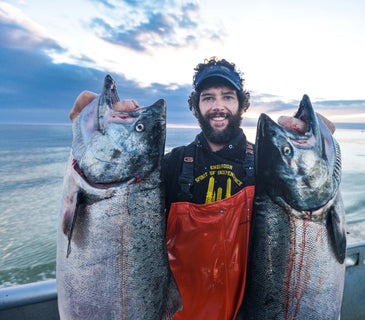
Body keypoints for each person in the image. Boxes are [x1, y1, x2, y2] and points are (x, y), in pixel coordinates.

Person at [69, 57, 335, 320]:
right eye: (208, 98)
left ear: (241, 105)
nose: (218, 106)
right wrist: (86, 137)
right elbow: (118, 215)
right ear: (196, 107)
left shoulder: (270, 169)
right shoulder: (170, 165)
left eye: (228, 97)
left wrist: (318, 150)